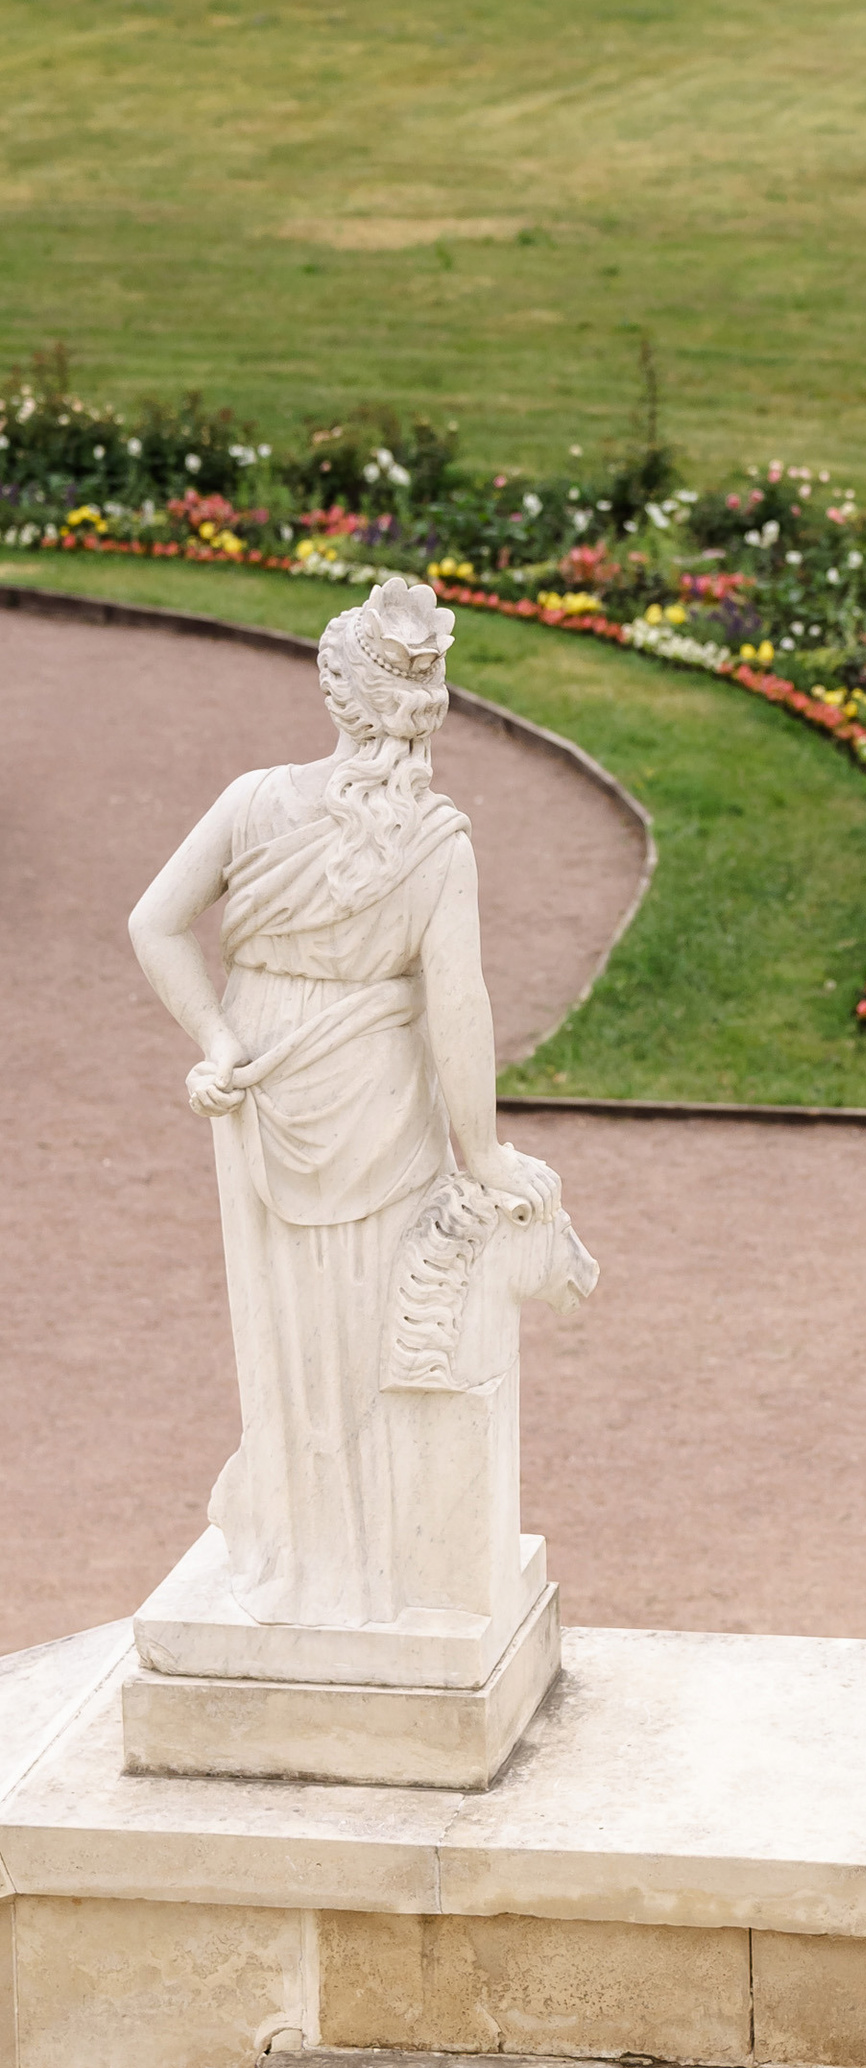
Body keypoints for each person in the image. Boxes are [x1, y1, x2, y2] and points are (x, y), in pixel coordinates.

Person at [126, 577, 572, 1632]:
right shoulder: (439, 843)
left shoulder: (252, 801)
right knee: (372, 1332)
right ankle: (375, 1570)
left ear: (339, 698)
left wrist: (223, 1039)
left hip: (266, 1082)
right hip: (374, 1088)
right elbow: (457, 1005)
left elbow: (154, 924)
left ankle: (303, 1555)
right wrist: (485, 1153)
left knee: (287, 1336)